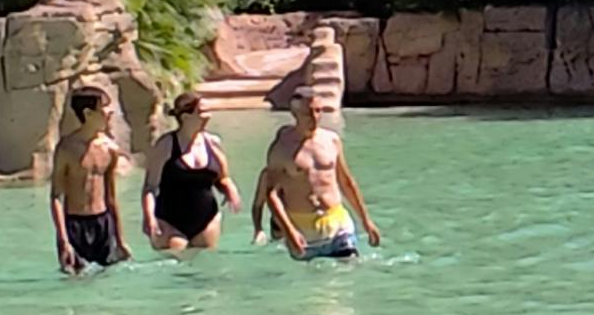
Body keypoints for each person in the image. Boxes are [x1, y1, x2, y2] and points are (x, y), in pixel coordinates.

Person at [253, 84, 381, 260]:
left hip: (338, 223)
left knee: (350, 269)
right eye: (308, 113)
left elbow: (346, 182)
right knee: (312, 276)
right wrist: (289, 232)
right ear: (294, 114)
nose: (314, 117)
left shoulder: (331, 140)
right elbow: (271, 194)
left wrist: (366, 221)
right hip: (304, 228)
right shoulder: (282, 148)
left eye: (318, 110)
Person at [49, 84, 132, 273]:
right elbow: (56, 197)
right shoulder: (67, 149)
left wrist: (120, 240)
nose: (110, 111)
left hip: (103, 224)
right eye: (104, 106)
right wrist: (64, 240)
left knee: (106, 278)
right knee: (75, 279)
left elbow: (111, 197)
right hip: (74, 225)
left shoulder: (110, 148)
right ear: (88, 113)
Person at [144, 92, 240, 252]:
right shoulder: (166, 145)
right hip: (170, 221)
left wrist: (230, 190)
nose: (208, 116)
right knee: (176, 262)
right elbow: (150, 187)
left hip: (207, 219)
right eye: (201, 112)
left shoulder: (213, 143)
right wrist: (149, 217)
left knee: (205, 263)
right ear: (185, 116)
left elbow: (223, 178)